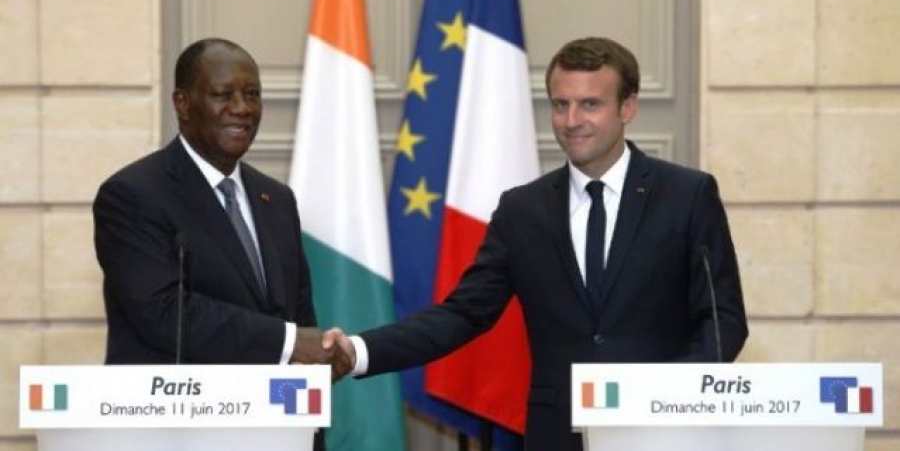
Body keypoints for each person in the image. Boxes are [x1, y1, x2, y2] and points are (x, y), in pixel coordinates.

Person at [326, 36, 748, 450]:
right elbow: (462, 314)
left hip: (664, 433)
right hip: (557, 435)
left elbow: (723, 320)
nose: (572, 120)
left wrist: (660, 397)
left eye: (590, 104)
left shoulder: (686, 195)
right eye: (560, 104)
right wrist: (358, 351)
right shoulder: (522, 210)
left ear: (627, 108)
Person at [93, 37, 347, 372]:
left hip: (272, 404)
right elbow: (163, 312)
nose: (242, 108)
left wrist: (316, 359)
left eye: (252, 94)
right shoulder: (133, 194)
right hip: (174, 402)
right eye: (223, 95)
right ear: (183, 104)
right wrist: (288, 343)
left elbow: (298, 315)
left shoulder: (277, 199)